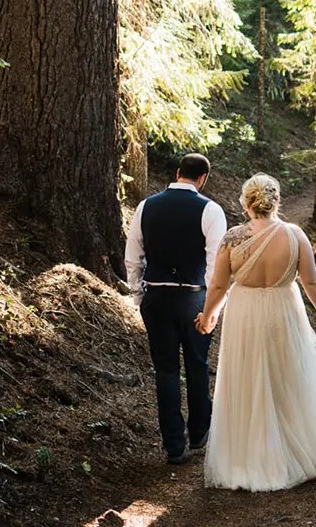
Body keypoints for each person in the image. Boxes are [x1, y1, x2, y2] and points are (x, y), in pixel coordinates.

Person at [194, 173, 316, 491]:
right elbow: (312, 281)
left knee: (246, 378)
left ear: (246, 202)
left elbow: (219, 284)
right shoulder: (294, 235)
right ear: (276, 201)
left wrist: (208, 317)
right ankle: (291, 452)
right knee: (287, 376)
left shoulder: (232, 238)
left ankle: (247, 459)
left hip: (244, 313)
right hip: (283, 310)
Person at [124, 153, 228, 465]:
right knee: (197, 365)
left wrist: (138, 296)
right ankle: (199, 433)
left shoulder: (146, 206)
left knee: (166, 370)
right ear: (203, 178)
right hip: (194, 298)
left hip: (155, 298)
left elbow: (133, 257)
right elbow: (216, 266)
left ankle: (173, 445)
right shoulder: (210, 210)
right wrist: (212, 308)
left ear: (178, 172)